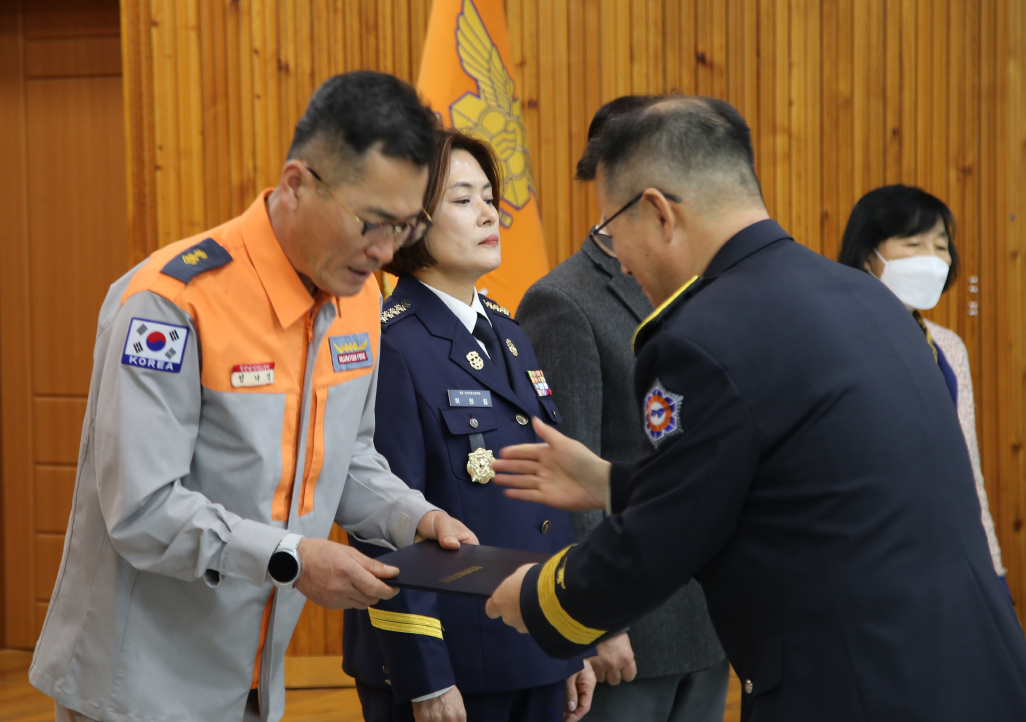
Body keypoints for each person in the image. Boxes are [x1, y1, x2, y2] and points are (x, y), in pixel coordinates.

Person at [484, 96, 1026, 721]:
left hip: (856, 688)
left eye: (612, 226)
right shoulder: (863, 296)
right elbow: (791, 475)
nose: (620, 258)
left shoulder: (700, 335)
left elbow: (658, 546)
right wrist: (612, 483)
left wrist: (537, 599)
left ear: (658, 211)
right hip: (970, 671)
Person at [30, 71, 478, 722]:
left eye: (405, 228)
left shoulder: (357, 301)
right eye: (371, 223)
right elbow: (143, 509)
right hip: (136, 690)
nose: (384, 253)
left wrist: (414, 518)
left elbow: (348, 461)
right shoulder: (171, 304)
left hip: (253, 682)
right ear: (297, 184)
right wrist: (293, 559)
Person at [342, 128, 594, 722]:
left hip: (534, 648)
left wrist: (568, 636)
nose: (489, 213)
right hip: (451, 666)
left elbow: (543, 505)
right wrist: (425, 677)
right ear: (410, 223)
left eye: (488, 196)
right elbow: (380, 519)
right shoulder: (392, 345)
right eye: (462, 199)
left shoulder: (509, 333)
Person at [516, 96, 728, 722]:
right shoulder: (562, 300)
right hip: (631, 625)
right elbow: (567, 469)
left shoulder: (701, 283)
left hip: (709, 611)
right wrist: (598, 619)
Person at [838, 184, 1005, 581]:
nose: (931, 258)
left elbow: (968, 468)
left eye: (941, 246)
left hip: (942, 556)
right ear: (868, 255)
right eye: (913, 243)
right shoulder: (833, 338)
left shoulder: (948, 346)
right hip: (862, 558)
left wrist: (992, 568)